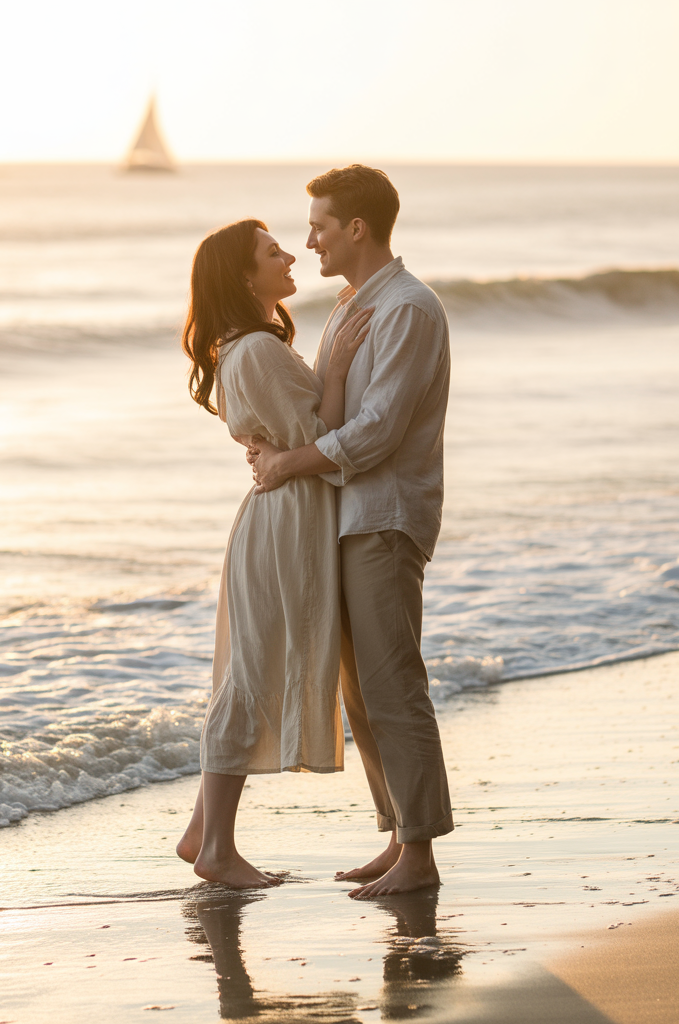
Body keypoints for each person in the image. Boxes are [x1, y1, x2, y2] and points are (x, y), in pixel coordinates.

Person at [248, 165, 454, 899]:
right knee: (360, 689)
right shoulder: (347, 309)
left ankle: (421, 854)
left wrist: (287, 464)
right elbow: (333, 416)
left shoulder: (407, 309)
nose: (310, 241)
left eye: (321, 226)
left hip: (386, 515)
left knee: (393, 682)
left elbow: (377, 433)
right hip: (343, 517)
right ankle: (400, 838)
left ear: (357, 228)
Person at [176, 218, 373, 889]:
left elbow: (292, 439)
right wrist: (339, 369)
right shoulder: (256, 350)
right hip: (284, 521)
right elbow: (323, 438)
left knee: (247, 669)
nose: (290, 255)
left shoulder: (250, 346)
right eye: (272, 252)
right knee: (249, 678)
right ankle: (218, 850)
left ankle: (205, 830)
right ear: (243, 276)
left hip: (284, 517)